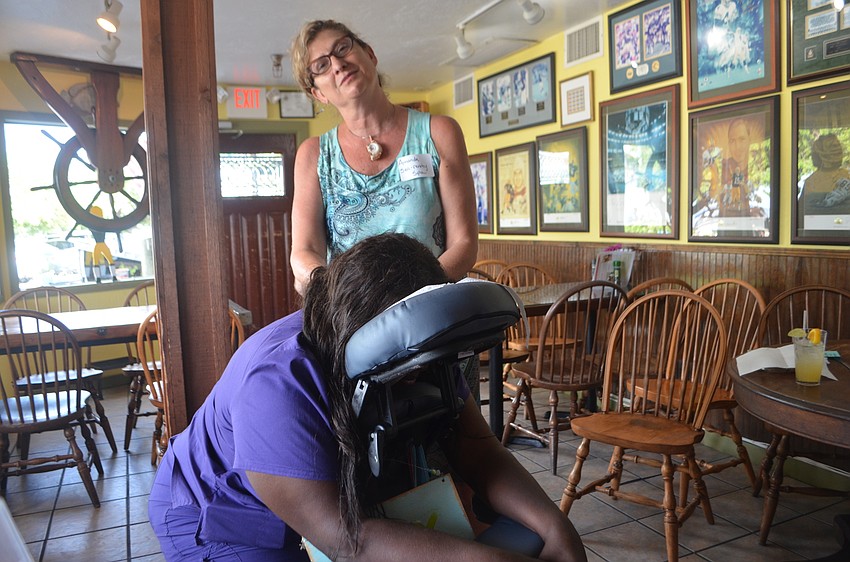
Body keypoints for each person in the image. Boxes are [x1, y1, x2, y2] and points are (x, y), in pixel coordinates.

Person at [148, 233, 587, 561]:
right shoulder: (276, 383)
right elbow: (345, 538)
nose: (420, 379)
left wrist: (556, 527)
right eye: (407, 371)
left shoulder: (422, 349)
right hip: (220, 510)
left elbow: (478, 451)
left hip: (326, 497)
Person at [288, 20, 478, 297]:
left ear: (370, 54)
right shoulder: (313, 154)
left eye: (342, 48)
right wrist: (334, 293)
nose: (338, 64)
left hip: (431, 312)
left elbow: (464, 243)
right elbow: (304, 252)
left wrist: (411, 296)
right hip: (351, 317)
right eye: (321, 65)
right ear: (317, 93)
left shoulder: (439, 132)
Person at [801, 134, 850, 214]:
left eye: (838, 146)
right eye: (832, 146)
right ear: (820, 152)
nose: (838, 149)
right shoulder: (810, 182)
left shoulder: (847, 175)